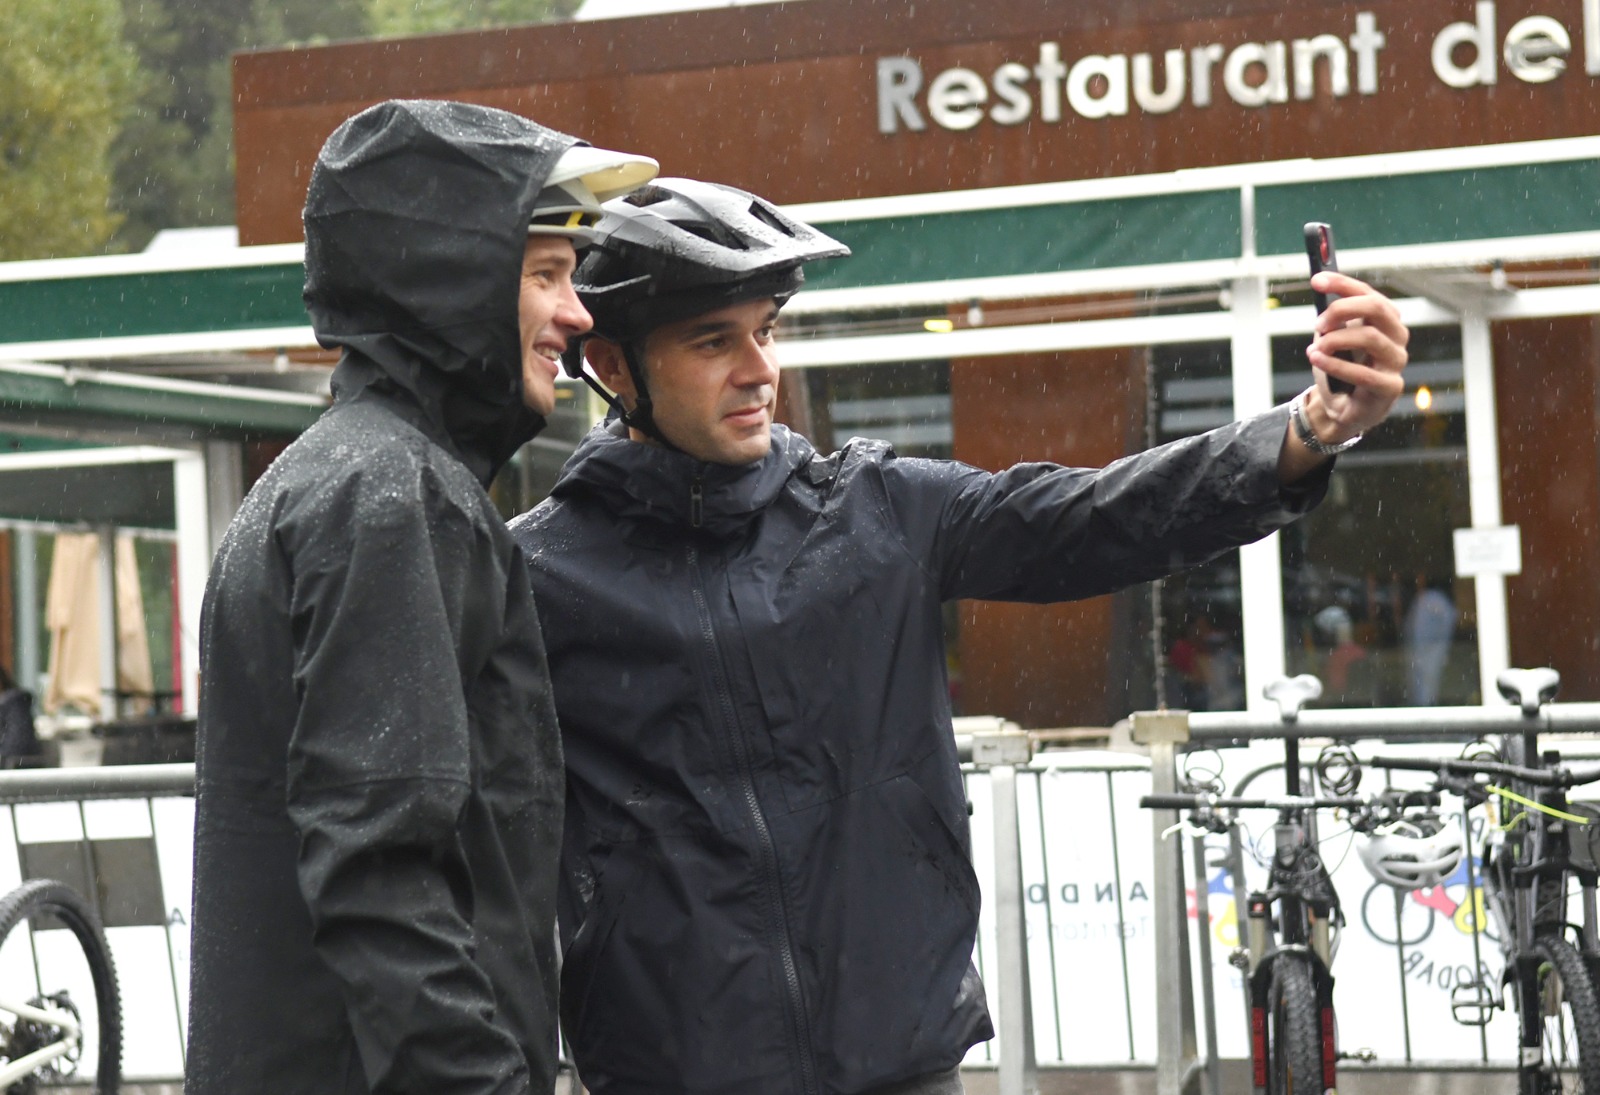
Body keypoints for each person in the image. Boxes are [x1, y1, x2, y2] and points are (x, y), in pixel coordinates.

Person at [510, 178, 1409, 1095]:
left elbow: (1098, 518)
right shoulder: (533, 578)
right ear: (615, 369)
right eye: (713, 341)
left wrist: (1305, 433)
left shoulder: (873, 511)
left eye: (766, 331)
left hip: (902, 1063)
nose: (758, 368)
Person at [187, 99, 655, 1095]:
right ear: (447, 286)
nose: (578, 316)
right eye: (543, 276)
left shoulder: (342, 478)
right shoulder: (393, 500)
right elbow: (384, 875)